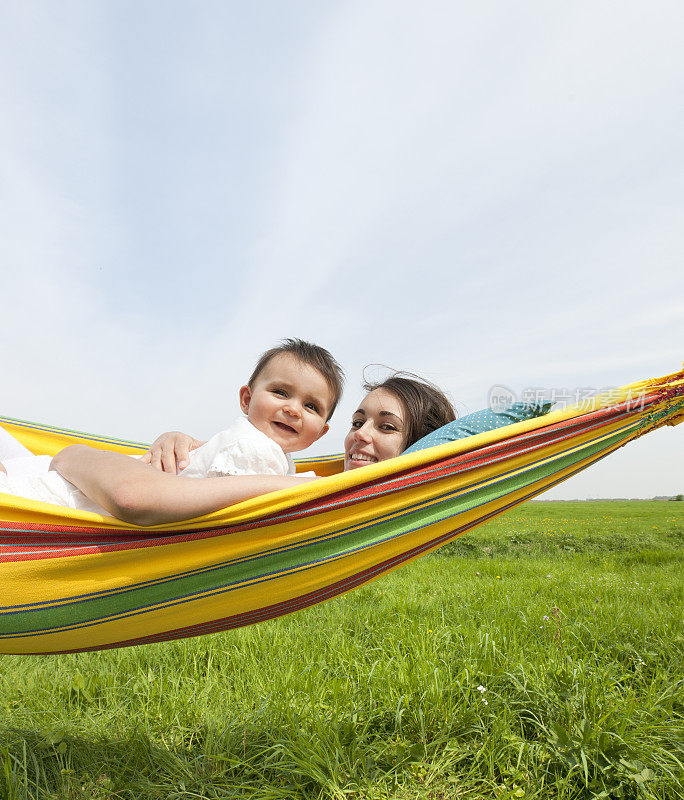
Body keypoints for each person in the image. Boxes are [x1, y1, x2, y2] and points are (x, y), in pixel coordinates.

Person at [44, 373, 454, 527]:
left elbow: (133, 495)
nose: (360, 435)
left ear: (417, 449)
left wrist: (72, 454)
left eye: (386, 427)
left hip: (61, 489)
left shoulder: (294, 490)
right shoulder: (290, 475)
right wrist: (178, 440)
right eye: (358, 421)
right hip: (49, 497)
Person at [0, 339, 344, 516]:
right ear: (246, 399)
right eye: (281, 392)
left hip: (66, 495)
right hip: (62, 503)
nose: (292, 409)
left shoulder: (272, 461)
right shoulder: (254, 451)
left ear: (322, 432)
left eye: (311, 406)